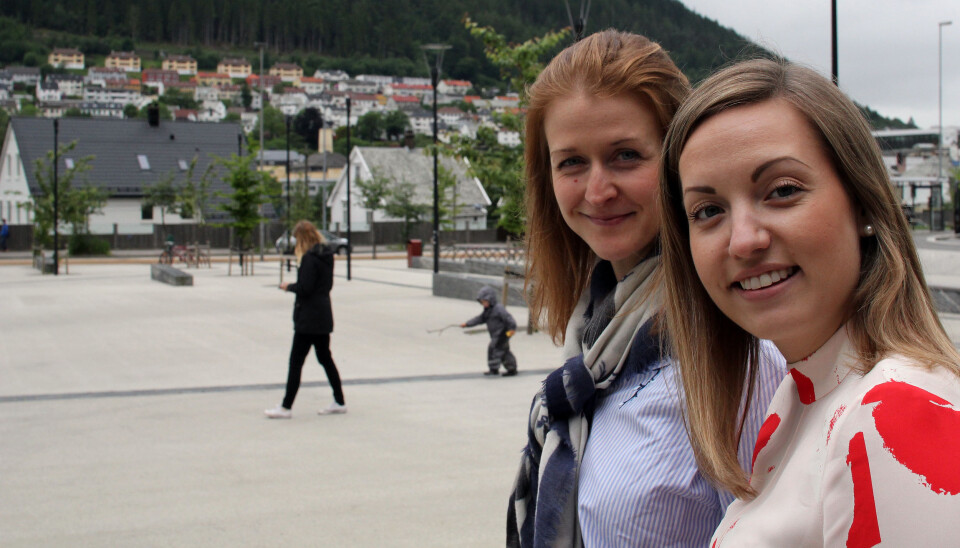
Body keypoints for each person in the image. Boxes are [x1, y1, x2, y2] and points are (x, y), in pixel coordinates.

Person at [658, 58, 960, 546]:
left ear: (863, 204)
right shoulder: (801, 397)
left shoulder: (893, 411)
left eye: (782, 191)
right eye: (708, 210)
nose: (743, 241)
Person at [507, 31, 786, 547]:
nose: (598, 191)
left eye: (626, 156)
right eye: (572, 162)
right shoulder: (597, 343)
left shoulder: (736, 354)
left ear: (682, 159)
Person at [265, 220, 346, 419]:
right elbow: (323, 285)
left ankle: (286, 407)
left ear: (301, 239)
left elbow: (305, 288)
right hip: (323, 314)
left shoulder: (310, 258)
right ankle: (339, 401)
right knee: (325, 358)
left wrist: (288, 286)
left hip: (309, 318)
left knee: (296, 362)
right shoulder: (327, 256)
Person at [460, 286, 518, 376]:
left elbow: (508, 319)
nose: (484, 304)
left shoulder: (499, 309)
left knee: (499, 350)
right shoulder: (487, 311)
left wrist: (512, 328)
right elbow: (479, 319)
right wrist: (467, 324)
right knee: (495, 350)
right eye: (482, 302)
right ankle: (495, 368)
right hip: (495, 335)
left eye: (485, 302)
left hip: (503, 333)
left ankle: (510, 369)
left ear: (491, 300)